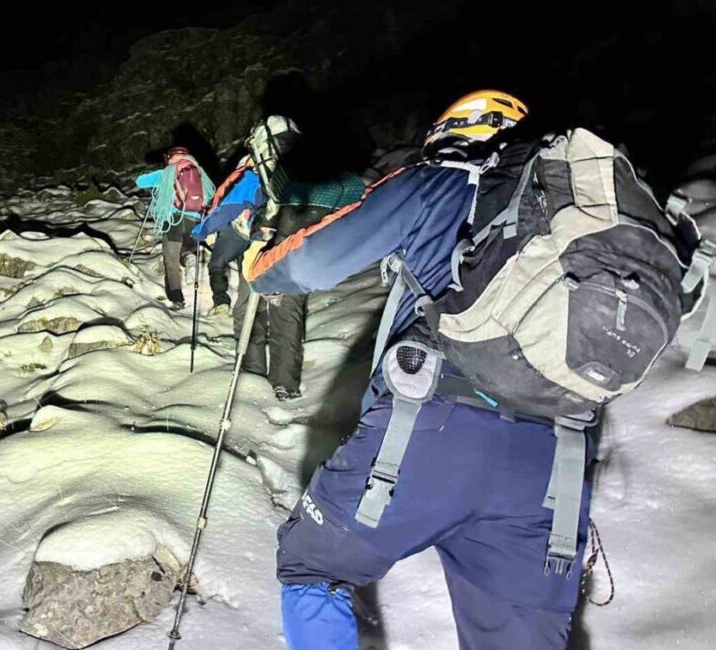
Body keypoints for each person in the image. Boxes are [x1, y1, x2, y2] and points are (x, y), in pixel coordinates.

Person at [244, 91, 600, 649]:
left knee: (314, 564)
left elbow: (307, 262)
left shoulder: (438, 179)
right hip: (552, 458)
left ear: (451, 133)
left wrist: (257, 265)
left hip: (432, 426)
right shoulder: (573, 209)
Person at [194, 116, 308, 401]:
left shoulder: (256, 173)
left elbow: (228, 209)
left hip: (259, 255)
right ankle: (286, 385)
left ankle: (253, 371)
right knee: (287, 314)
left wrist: (201, 230)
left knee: (248, 310)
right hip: (297, 253)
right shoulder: (308, 169)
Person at [135, 146, 215, 308]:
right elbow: (210, 196)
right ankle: (189, 259)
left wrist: (161, 173)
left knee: (171, 258)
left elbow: (140, 182)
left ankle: (176, 297)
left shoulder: (168, 172)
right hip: (194, 219)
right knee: (187, 247)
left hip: (172, 219)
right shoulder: (199, 172)